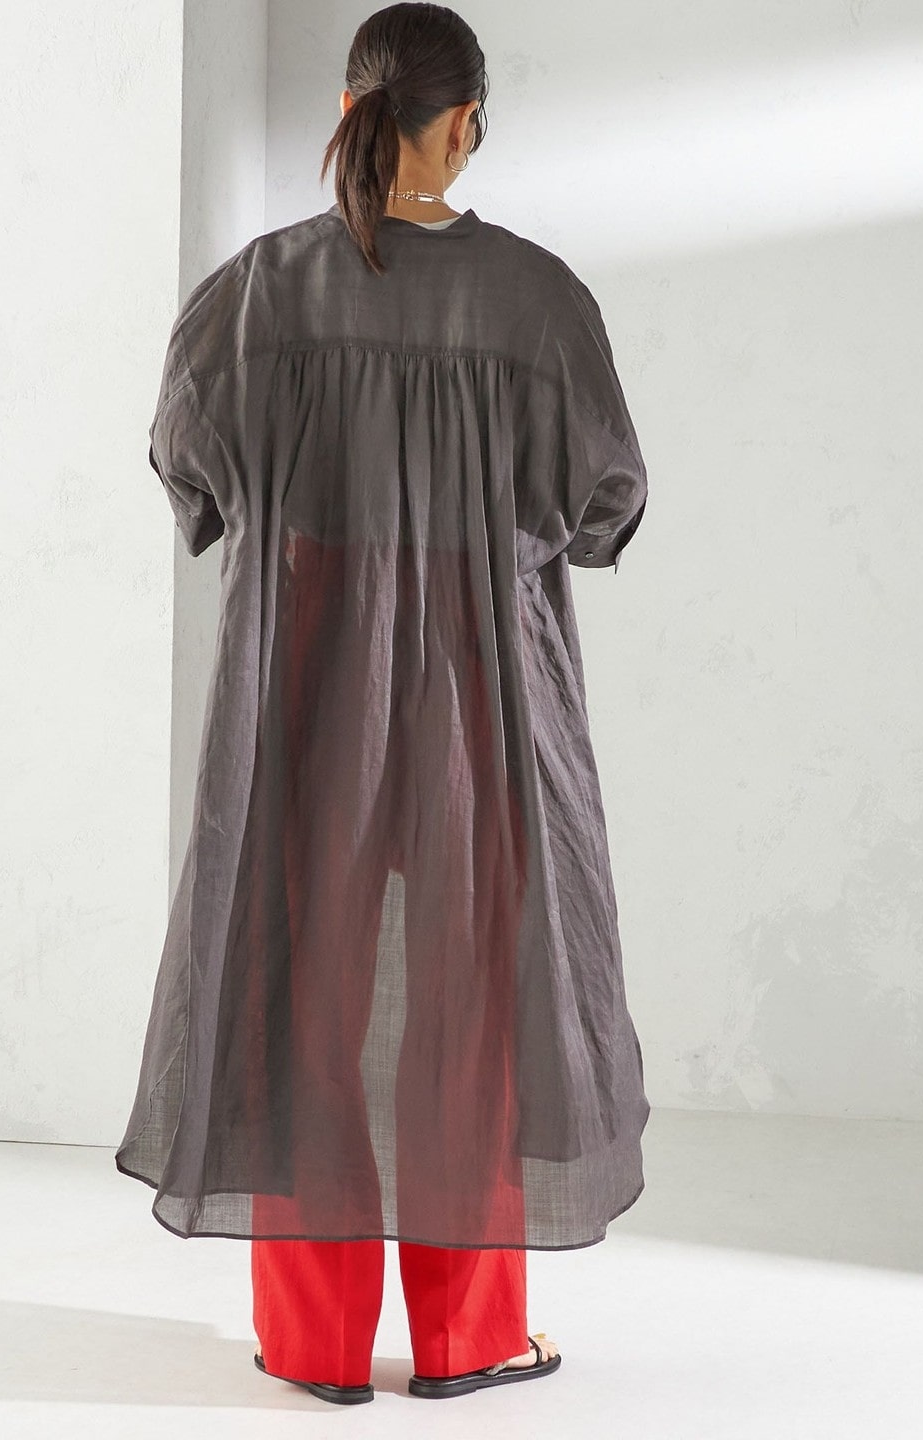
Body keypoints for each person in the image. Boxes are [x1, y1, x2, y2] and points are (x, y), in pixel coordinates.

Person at [115, 1, 651, 1405]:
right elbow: (607, 500)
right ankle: (470, 1337)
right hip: (486, 693)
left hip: (306, 680)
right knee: (475, 996)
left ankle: (315, 1341)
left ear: (349, 113)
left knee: (304, 989)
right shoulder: (537, 299)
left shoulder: (256, 291)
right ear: (464, 121)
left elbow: (187, 469)